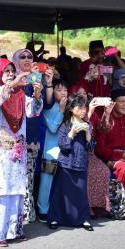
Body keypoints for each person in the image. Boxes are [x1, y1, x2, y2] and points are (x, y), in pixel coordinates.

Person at [0, 58, 42, 246]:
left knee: (15, 189)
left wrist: (37, 94)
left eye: (13, 71)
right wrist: (12, 85)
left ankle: (13, 230)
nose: (11, 74)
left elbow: (34, 111)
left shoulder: (19, 93)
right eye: (7, 72)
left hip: (15, 152)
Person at [12, 48, 54, 222]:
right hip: (13, 134)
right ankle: (13, 213)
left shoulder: (36, 79)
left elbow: (47, 104)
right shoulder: (11, 79)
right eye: (22, 57)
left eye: (30, 56)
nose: (27, 59)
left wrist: (47, 83)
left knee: (28, 175)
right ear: (15, 60)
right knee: (14, 175)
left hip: (32, 133)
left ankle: (26, 214)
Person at [48, 94, 95, 231]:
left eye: (84, 107)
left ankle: (83, 219)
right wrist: (71, 133)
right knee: (61, 192)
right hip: (65, 163)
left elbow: (91, 148)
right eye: (79, 108)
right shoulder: (65, 125)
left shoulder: (88, 125)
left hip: (81, 163)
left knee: (80, 193)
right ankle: (55, 218)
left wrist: (88, 134)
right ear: (71, 109)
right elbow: (63, 145)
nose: (83, 110)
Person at [38, 79, 68, 222]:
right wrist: (61, 110)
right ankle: (42, 209)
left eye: (65, 90)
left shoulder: (70, 106)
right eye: (59, 90)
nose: (63, 93)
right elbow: (52, 128)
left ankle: (60, 208)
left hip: (65, 148)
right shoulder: (47, 108)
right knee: (47, 180)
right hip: (50, 149)